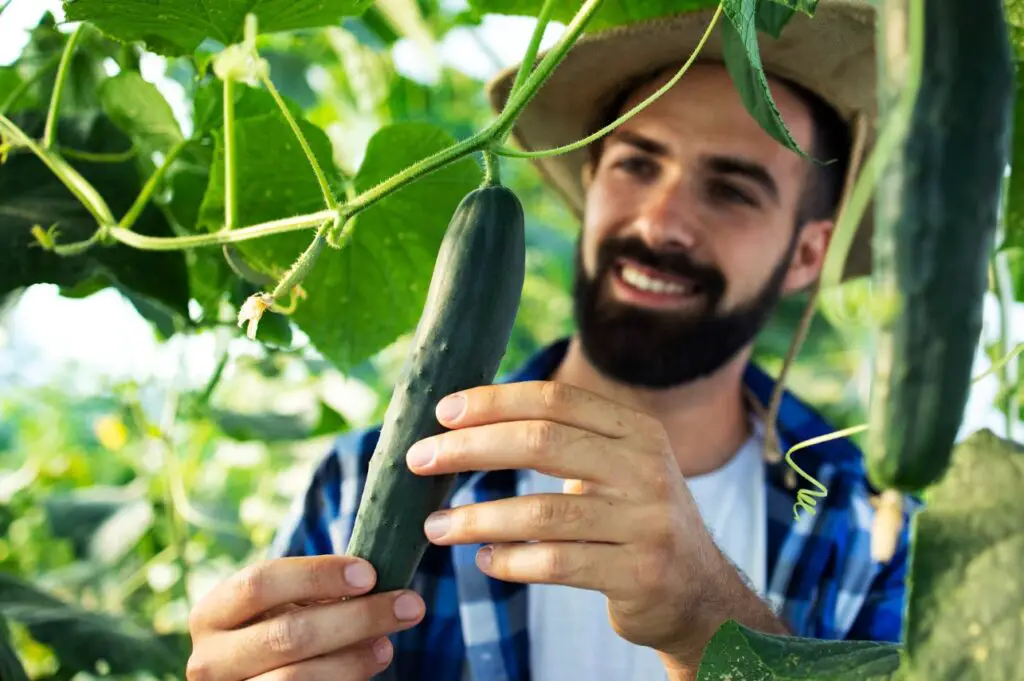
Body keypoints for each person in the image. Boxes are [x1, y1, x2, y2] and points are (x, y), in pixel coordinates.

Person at [186, 2, 919, 680]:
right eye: (636, 163)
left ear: (806, 255)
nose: (661, 221)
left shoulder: (877, 533)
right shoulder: (353, 486)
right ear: (592, 178)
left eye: (730, 189)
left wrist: (710, 618)